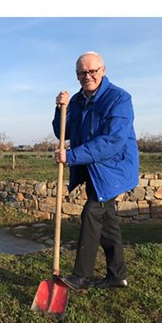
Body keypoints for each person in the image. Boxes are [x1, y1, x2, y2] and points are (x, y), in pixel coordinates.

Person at [53, 51, 139, 291]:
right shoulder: (79, 100)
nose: (87, 76)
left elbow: (112, 141)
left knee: (92, 213)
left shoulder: (119, 98)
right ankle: (117, 276)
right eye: (82, 72)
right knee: (107, 222)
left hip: (113, 169)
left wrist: (71, 156)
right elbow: (64, 132)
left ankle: (81, 276)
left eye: (92, 71)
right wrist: (61, 108)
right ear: (77, 75)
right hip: (93, 169)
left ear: (103, 70)